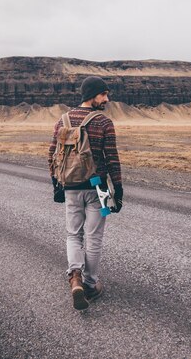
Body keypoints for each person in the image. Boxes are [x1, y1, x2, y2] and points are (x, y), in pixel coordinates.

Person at [48, 76, 123, 310]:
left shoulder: (62, 120)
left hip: (70, 186)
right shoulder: (104, 122)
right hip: (98, 187)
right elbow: (112, 159)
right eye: (104, 94)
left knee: (73, 235)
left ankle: (75, 277)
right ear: (92, 95)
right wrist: (118, 190)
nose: (107, 99)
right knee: (94, 237)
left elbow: (52, 155)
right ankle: (90, 283)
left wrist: (56, 185)